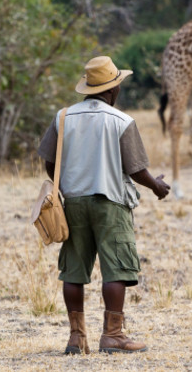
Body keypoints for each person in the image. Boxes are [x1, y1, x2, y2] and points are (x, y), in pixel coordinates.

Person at [37, 56, 171, 355]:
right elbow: (136, 169)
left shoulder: (63, 117)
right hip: (110, 203)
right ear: (112, 90)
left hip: (73, 203)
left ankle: (76, 337)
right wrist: (156, 186)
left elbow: (49, 162)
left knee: (73, 270)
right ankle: (112, 336)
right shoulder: (121, 121)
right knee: (116, 269)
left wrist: (67, 184)